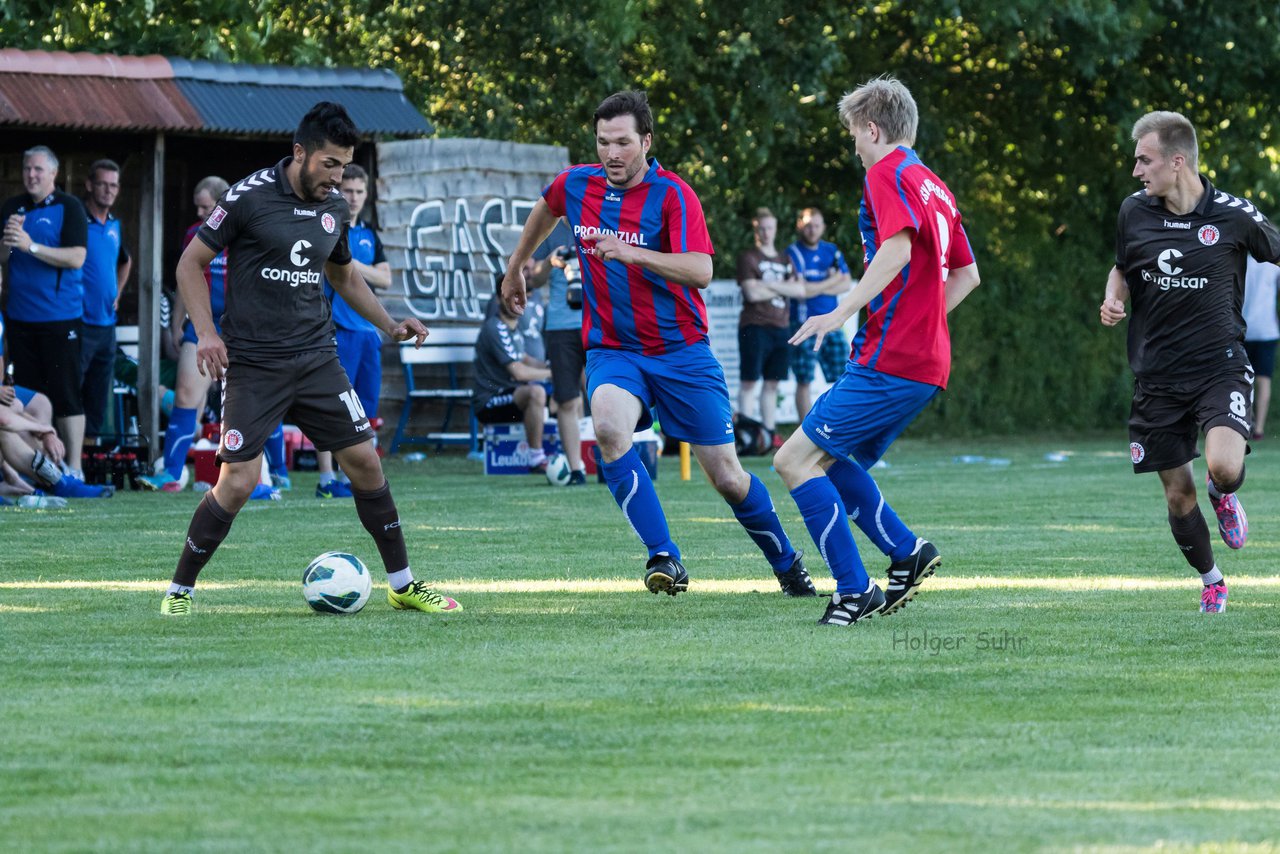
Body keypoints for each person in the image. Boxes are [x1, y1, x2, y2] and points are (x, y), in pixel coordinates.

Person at [501, 90, 813, 597]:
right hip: (614, 351)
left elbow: (702, 270)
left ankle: (785, 560)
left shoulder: (673, 195)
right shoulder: (577, 184)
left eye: (623, 142)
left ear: (646, 141)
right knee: (605, 424)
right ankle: (664, 555)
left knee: (728, 478)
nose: (612, 153)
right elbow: (546, 209)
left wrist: (633, 254)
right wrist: (515, 267)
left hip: (682, 353)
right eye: (603, 142)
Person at [157, 101, 461, 616]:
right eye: (329, 164)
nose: (337, 176)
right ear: (299, 152)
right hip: (254, 363)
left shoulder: (335, 207)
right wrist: (206, 333)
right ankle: (179, 591)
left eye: (344, 165)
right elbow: (192, 263)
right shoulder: (247, 198)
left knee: (365, 460)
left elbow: (342, 275)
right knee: (239, 482)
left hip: (318, 357)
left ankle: (404, 584)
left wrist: (389, 323)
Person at [774, 76, 980, 626]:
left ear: (873, 129)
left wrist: (840, 311)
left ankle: (853, 590)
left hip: (889, 361)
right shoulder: (935, 185)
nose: (854, 147)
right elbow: (968, 275)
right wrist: (923, 322)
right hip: (923, 362)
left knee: (792, 460)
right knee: (830, 462)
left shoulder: (886, 172)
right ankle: (907, 552)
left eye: (853, 135)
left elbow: (895, 248)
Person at [1100, 110, 1280, 614]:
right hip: (1156, 377)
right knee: (1178, 497)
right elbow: (1120, 268)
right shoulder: (1133, 212)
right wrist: (1113, 298)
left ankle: (1224, 493)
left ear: (1177, 162)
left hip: (1219, 366)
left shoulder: (1234, 215)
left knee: (1223, 466)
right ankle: (1212, 579)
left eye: (1145, 159)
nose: (1137, 170)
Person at [140, 177, 281, 497]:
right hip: (202, 325)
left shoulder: (247, 233)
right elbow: (185, 280)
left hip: (242, 327)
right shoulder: (195, 234)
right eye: (197, 207)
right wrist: (178, 322)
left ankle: (268, 475)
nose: (200, 213)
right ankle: (172, 473)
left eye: (206, 206)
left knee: (248, 400)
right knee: (187, 391)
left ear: (224, 203)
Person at [1, 145, 90, 477]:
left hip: (59, 317)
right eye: (27, 169)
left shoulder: (69, 207)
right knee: (27, 396)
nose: (31, 175)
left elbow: (76, 258)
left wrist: (30, 246)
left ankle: (75, 468)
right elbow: (4, 259)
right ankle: (37, 467)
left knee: (66, 393)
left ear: (53, 173)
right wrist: (8, 243)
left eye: (38, 169)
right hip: (20, 318)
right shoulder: (13, 207)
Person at [314, 163, 392, 498]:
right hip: (337, 329)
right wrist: (362, 271)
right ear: (337, 190)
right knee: (332, 406)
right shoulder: (327, 226)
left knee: (366, 410)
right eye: (349, 191)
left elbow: (386, 278)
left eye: (360, 192)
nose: (355, 198)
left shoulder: (370, 235)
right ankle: (326, 478)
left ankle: (354, 479)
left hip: (367, 334)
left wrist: (350, 265)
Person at [735, 207, 805, 444]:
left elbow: (799, 290)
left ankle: (767, 435)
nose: (766, 233)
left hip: (781, 327)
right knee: (749, 382)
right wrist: (782, 285)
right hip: (754, 326)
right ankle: (745, 436)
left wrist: (768, 286)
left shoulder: (786, 259)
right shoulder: (748, 257)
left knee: (772, 384)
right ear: (756, 230)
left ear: (775, 229)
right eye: (761, 228)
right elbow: (751, 293)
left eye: (769, 228)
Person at [474, 287, 554, 471]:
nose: (515, 301)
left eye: (519, 296)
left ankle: (577, 453)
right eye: (509, 296)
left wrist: (555, 367)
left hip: (511, 397)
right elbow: (519, 372)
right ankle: (536, 458)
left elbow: (525, 359)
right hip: (489, 401)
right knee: (536, 392)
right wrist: (552, 374)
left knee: (565, 394)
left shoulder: (514, 329)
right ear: (497, 299)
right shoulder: (495, 328)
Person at [79, 159, 132, 438]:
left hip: (106, 326)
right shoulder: (76, 220)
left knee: (98, 399)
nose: (108, 190)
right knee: (72, 395)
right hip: (79, 321)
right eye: (102, 184)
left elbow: (126, 261)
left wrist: (118, 294)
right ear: (89, 185)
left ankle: (88, 462)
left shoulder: (114, 225)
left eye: (113, 185)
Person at [786, 207, 853, 421]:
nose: (812, 230)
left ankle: (838, 426)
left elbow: (845, 284)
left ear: (823, 227)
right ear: (800, 226)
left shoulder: (832, 251)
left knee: (844, 377)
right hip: (802, 324)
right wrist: (831, 280)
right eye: (808, 226)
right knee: (804, 379)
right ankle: (805, 431)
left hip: (832, 323)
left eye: (816, 225)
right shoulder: (791, 253)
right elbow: (801, 291)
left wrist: (816, 286)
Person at [538, 227, 588, 485]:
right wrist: (549, 262)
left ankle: (612, 463)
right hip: (560, 327)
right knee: (567, 400)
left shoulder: (604, 219)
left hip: (599, 323)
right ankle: (577, 469)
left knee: (606, 396)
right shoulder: (550, 230)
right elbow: (534, 278)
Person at [1243, 257, 1280, 439]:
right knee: (1263, 380)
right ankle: (1260, 429)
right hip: (1267, 330)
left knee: (1243, 380)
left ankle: (1246, 422)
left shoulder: (1243, 261)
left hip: (1243, 329)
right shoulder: (1274, 266)